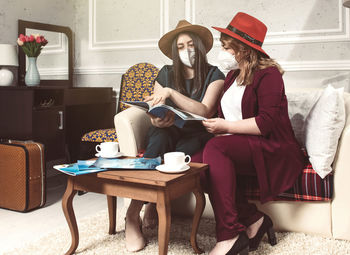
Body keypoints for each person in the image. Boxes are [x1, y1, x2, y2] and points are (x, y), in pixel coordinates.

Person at [192, 12, 305, 255]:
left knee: (215, 148)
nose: (222, 51)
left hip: (271, 147)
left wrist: (224, 128)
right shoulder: (232, 76)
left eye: (226, 46)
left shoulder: (270, 75)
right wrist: (215, 123)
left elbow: (265, 124)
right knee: (196, 163)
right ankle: (254, 219)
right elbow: (232, 115)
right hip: (239, 144)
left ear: (243, 49)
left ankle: (229, 234)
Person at [125, 20, 225, 252]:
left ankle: (154, 203)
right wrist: (156, 120)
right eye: (180, 46)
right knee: (157, 139)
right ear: (174, 51)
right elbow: (154, 110)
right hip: (167, 129)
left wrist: (170, 92)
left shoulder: (215, 74)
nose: (186, 50)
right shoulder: (166, 73)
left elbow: (204, 110)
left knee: (177, 154)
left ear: (199, 47)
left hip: (197, 134)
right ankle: (132, 215)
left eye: (191, 44)